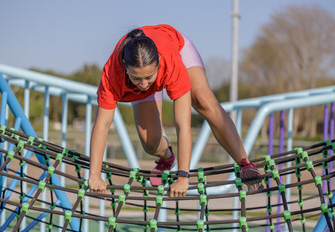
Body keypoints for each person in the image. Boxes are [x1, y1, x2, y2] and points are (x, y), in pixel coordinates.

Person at [89, 24, 262, 198]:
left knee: (202, 100)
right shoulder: (111, 76)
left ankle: (245, 163)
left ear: (158, 65)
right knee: (149, 142)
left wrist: (183, 176)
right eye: (136, 78)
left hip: (177, 48)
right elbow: (102, 125)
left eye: (148, 77)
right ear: (125, 67)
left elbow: (183, 125)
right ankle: (166, 157)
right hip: (145, 66)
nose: (143, 85)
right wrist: (94, 175)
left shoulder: (171, 64)